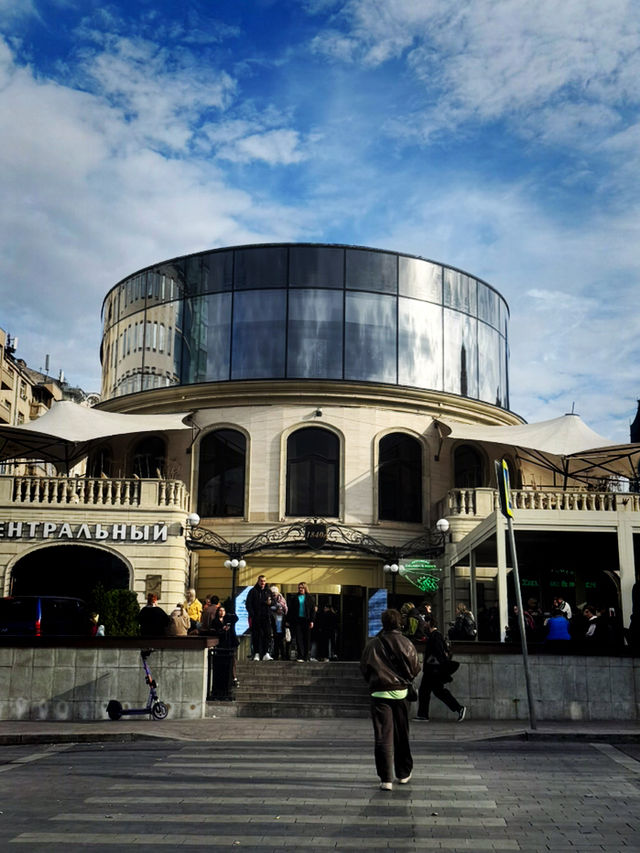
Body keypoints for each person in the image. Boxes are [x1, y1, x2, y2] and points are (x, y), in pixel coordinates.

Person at [360, 608, 421, 791]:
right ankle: (403, 773)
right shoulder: (406, 642)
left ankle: (385, 778)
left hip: (379, 693)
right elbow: (415, 667)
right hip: (401, 692)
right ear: (399, 623)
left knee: (382, 736)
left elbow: (364, 667)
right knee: (402, 733)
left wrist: (374, 681)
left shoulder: (373, 644)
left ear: (383, 623)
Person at [416, 618, 466, 722]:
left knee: (425, 691)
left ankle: (423, 715)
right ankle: (459, 708)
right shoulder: (435, 635)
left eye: (426, 622)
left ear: (430, 623)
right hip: (433, 669)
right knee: (438, 692)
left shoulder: (435, 636)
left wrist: (437, 666)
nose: (424, 624)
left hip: (432, 670)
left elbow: (438, 653)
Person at [246, 575, 273, 661]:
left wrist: (270, 603)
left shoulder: (268, 591)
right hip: (256, 617)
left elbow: (273, 602)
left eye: (264, 581)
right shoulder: (253, 591)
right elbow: (248, 604)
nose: (263, 583)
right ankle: (256, 653)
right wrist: (252, 614)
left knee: (267, 635)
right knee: (256, 635)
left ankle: (266, 653)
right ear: (258, 581)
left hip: (266, 617)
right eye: (261, 581)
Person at [289, 581, 316, 662]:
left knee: (307, 638)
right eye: (299, 588)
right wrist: (289, 620)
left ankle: (306, 656)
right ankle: (300, 655)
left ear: (305, 588)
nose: (300, 589)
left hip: (306, 620)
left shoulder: (310, 598)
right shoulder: (295, 597)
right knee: (299, 638)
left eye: (302, 588)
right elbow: (291, 610)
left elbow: (312, 610)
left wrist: (312, 621)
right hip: (298, 620)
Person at [268, 585, 288, 660]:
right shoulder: (274, 616)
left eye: (275, 593)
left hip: (281, 631)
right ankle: (276, 655)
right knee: (276, 644)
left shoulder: (281, 599)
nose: (274, 595)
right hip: (276, 630)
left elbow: (284, 607)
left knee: (282, 644)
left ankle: (283, 656)